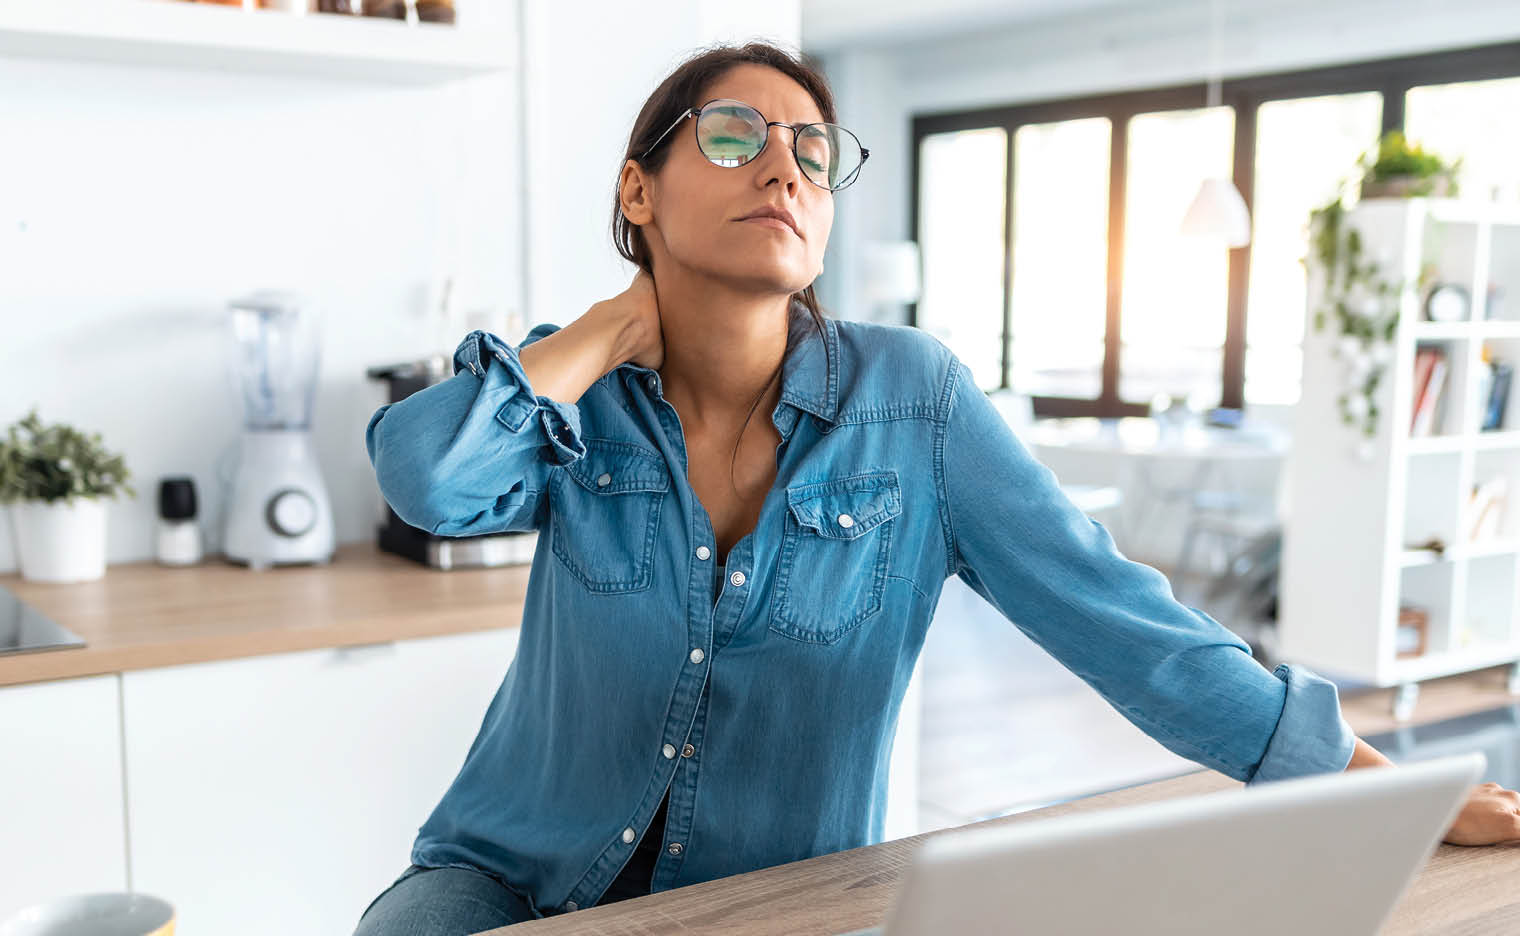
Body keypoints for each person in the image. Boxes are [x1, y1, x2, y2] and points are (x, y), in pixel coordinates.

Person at [353, 39, 1520, 936]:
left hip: (776, 908)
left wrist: (1385, 793)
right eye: (729, 136)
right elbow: (425, 477)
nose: (781, 166)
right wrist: (607, 329)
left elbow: (1126, 627)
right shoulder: (573, 396)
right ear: (638, 192)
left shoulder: (914, 403)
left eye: (812, 149)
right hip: (504, 882)